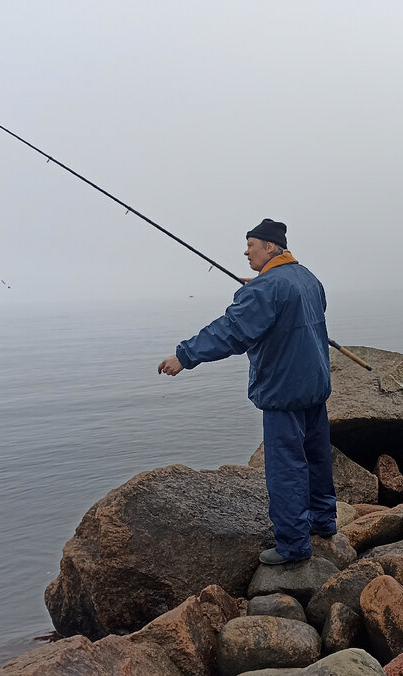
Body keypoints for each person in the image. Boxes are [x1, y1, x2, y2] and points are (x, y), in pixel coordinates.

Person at [157, 218, 335, 565]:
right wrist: (262, 287)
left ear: (269, 247)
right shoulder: (307, 278)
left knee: (286, 467)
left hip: (284, 391)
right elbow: (299, 306)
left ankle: (293, 546)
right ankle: (324, 522)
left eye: (251, 244)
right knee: (316, 457)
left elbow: (232, 331)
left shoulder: (266, 289)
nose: (245, 250)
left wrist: (184, 355)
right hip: (314, 385)